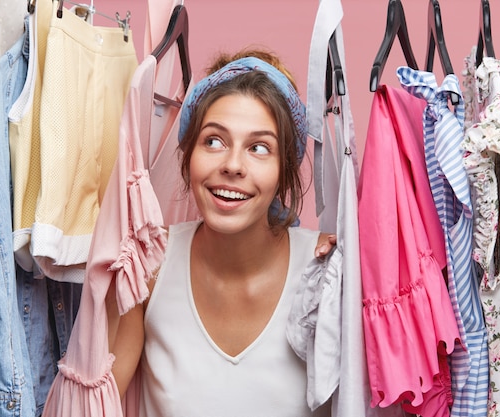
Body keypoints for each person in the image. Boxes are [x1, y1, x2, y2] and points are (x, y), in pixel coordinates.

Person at [108, 48, 335, 416]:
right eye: (214, 141)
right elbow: (94, 403)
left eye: (259, 148)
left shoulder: (326, 271)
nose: (232, 165)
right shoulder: (149, 265)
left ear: (284, 170)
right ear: (189, 154)